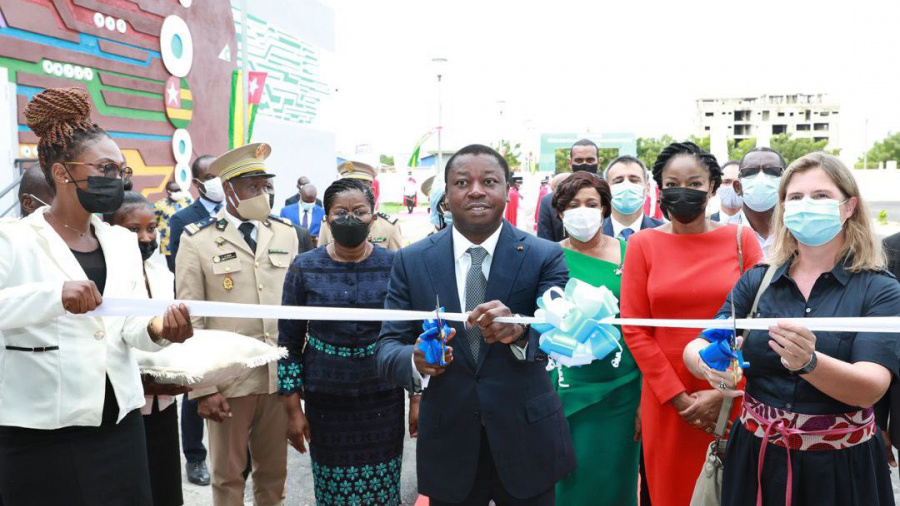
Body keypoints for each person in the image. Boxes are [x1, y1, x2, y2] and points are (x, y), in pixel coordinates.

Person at [0, 87, 192, 506]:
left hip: (118, 425)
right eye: (106, 167)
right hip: (40, 430)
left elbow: (126, 326)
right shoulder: (11, 239)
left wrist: (159, 328)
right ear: (62, 174)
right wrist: (54, 296)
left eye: (122, 171)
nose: (119, 179)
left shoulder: (120, 242)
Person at [684, 152, 900, 505]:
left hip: (841, 470)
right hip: (756, 461)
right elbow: (699, 344)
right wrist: (708, 363)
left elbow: (870, 389)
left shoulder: (880, 289)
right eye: (795, 197)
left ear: (849, 207)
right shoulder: (757, 280)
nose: (806, 205)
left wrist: (809, 363)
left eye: (821, 196)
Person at [376, 144, 575, 506]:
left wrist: (521, 332)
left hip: (526, 439)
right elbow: (388, 347)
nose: (477, 190)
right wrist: (415, 360)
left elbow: (561, 333)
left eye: (489, 181)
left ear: (506, 191)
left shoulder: (544, 255)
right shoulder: (411, 260)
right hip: (449, 443)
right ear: (446, 196)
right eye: (462, 182)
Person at [619, 141, 762, 506]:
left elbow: (758, 321)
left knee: (732, 490)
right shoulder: (642, 244)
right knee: (671, 492)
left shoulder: (741, 239)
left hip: (731, 390)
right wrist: (678, 398)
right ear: (660, 189)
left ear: (713, 187)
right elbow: (634, 328)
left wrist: (728, 393)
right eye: (673, 183)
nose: (684, 191)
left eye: (696, 183)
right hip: (666, 397)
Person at [176, 142, 299, 506]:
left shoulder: (285, 233)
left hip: (277, 377)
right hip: (227, 381)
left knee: (274, 475)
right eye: (253, 186)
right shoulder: (197, 239)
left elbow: (297, 307)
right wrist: (203, 388)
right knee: (228, 477)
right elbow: (191, 321)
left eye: (265, 185)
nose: (263, 193)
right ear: (228, 189)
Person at [279, 178, 408, 506]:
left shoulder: (395, 266)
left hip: (383, 396)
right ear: (326, 217)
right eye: (340, 212)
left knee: (383, 487)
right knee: (333, 487)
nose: (350, 219)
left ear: (373, 216)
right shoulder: (304, 267)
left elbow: (410, 334)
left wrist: (417, 396)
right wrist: (292, 409)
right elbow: (288, 343)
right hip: (327, 398)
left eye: (359, 211)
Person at [550, 172, 641, 505]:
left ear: (605, 209)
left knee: (614, 485)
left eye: (591, 203)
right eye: (573, 204)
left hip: (621, 392)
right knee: (566, 487)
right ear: (559, 212)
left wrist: (647, 395)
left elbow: (646, 329)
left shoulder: (633, 254)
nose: (582, 211)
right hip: (562, 391)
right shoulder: (546, 257)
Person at [106, 192, 189, 506]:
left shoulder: (162, 273)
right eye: (133, 230)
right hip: (124, 406)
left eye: (150, 228)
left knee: (165, 485)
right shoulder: (103, 276)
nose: (145, 237)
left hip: (163, 402)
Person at [318, 161, 403, 250]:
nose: (352, 193)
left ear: (372, 192)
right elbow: (320, 257)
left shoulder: (389, 226)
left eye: (360, 188)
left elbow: (396, 261)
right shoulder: (329, 222)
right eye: (347, 188)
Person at [537, 139, 599, 242]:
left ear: (599, 162)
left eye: (590, 160)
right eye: (579, 160)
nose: (585, 164)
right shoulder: (549, 202)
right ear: (570, 163)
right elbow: (544, 244)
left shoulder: (611, 198)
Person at [733, 147, 787, 259]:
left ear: (786, 184)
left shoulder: (797, 233)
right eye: (750, 172)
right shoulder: (722, 233)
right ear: (737, 188)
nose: (761, 178)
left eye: (772, 171)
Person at [602, 155, 663, 241]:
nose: (626, 186)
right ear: (606, 189)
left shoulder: (663, 233)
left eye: (634, 180)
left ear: (647, 188)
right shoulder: (595, 233)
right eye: (618, 181)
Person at [155, 179, 193, 271]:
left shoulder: (187, 201)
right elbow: (154, 221)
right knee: (174, 271)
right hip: (169, 245)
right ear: (168, 192)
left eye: (179, 190)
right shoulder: (160, 205)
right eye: (175, 191)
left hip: (187, 242)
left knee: (188, 270)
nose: (178, 192)